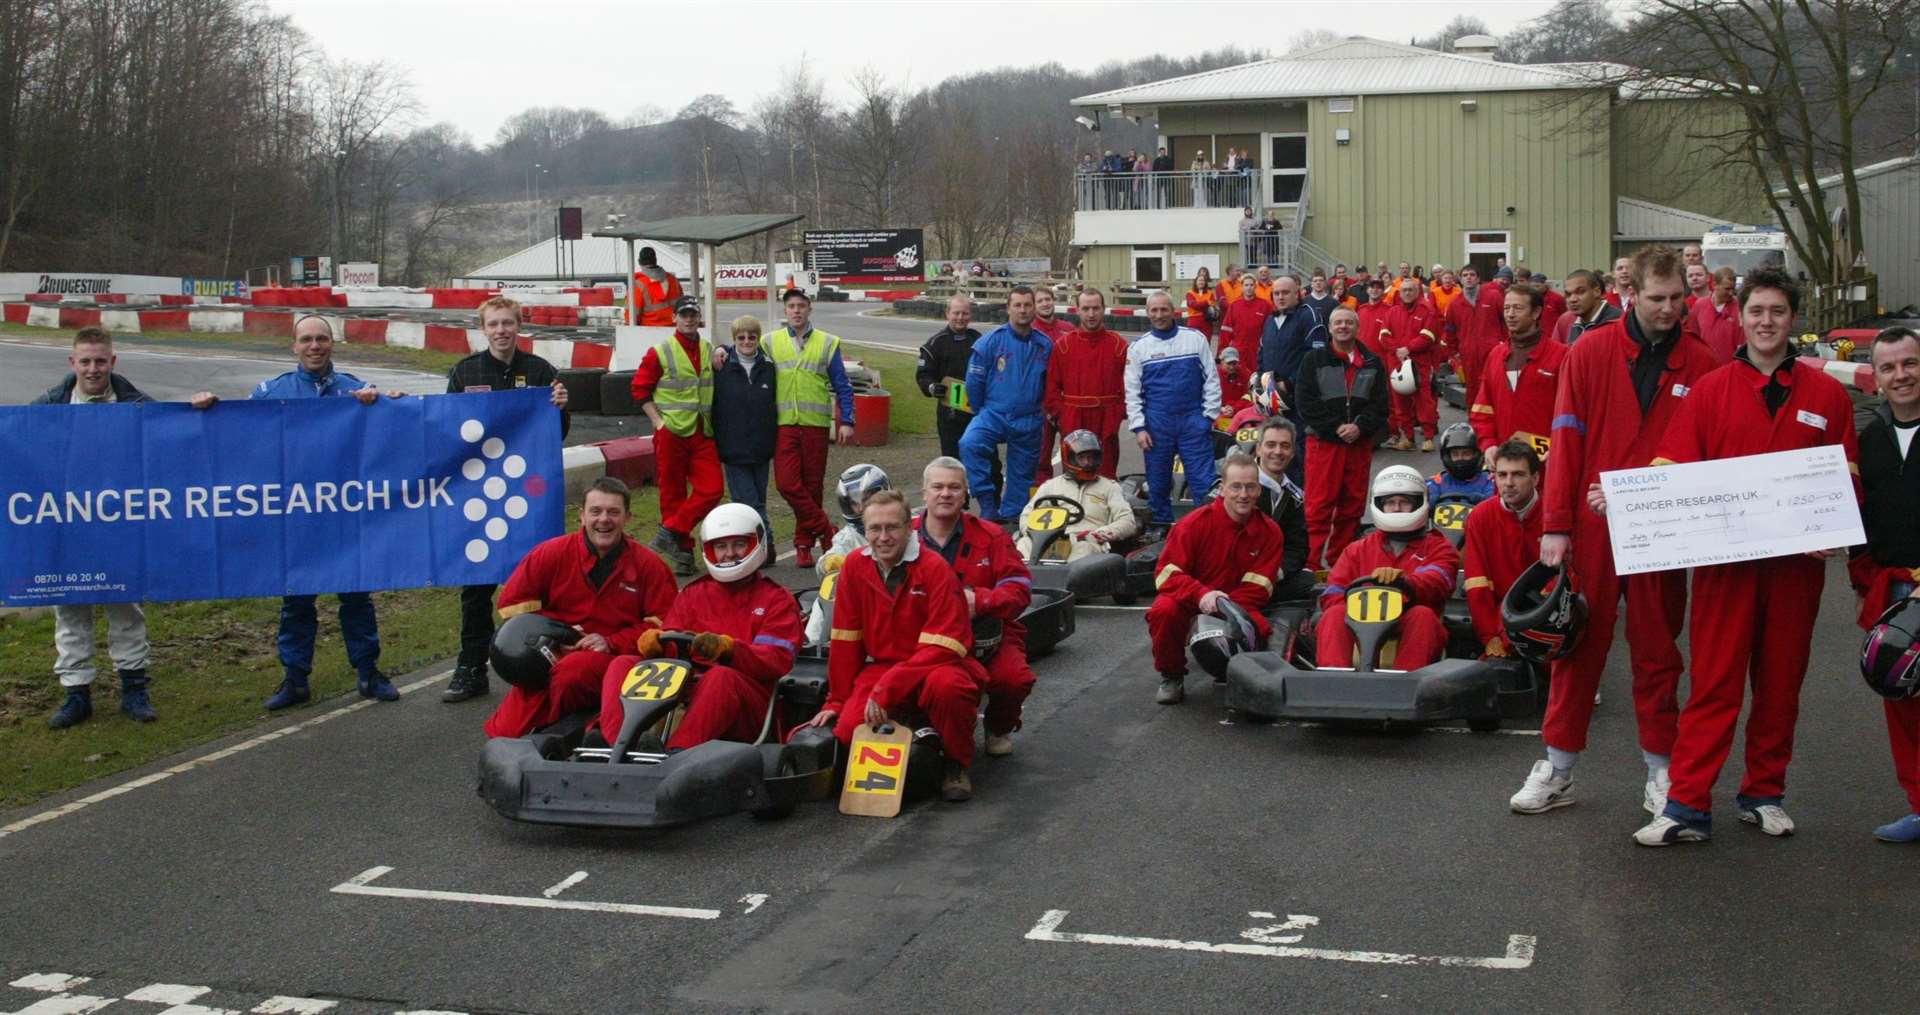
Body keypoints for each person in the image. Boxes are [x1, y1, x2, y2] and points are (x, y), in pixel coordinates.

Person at [1633, 269, 1859, 846]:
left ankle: (1764, 793)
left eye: (1778, 312)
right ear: (1743, 315)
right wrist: (1629, 498)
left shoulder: (1827, 396)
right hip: (1723, 569)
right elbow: (1671, 469)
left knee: (1781, 683)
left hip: (1794, 571)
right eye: (1757, 310)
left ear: (1793, 320)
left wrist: (1832, 526)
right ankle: (1686, 805)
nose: (1766, 322)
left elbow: (1846, 481)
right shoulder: (1711, 389)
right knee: (1714, 683)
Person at [1509, 244, 1719, 817]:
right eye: (1657, 298)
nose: (1669, 309)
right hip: (1591, 526)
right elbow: (1566, 439)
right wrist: (1555, 525)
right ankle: (1558, 765)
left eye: (1678, 298)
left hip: (1662, 531)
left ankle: (1661, 771)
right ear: (1631, 294)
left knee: (1657, 652)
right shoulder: (1591, 351)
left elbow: (1710, 457)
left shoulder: (1702, 364)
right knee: (1576, 645)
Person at [33, 328, 215, 729]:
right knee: (70, 609)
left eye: (100, 361)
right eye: (86, 361)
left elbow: (172, 441)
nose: (93, 369)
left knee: (126, 609)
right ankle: (76, 694)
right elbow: (22, 455)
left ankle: (134, 689)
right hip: (69, 525)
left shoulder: (136, 404)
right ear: (73, 364)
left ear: (113, 362)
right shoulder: (47, 407)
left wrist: (198, 412)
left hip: (122, 527)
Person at [251, 315, 406, 711]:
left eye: (321, 339)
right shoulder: (271, 392)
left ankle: (369, 672)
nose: (314, 346)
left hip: (345, 517)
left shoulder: (356, 390)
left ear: (332, 344)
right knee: (296, 601)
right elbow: (236, 436)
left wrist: (392, 404)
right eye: (306, 340)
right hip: (296, 518)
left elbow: (391, 435)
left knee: (356, 595)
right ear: (294, 346)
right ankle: (295, 678)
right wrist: (206, 406)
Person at [801, 489, 985, 802]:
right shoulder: (854, 568)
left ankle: (955, 763)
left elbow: (948, 643)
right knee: (847, 731)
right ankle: (913, 730)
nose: (883, 537)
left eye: (892, 527)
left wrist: (890, 688)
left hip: (936, 666)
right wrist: (837, 700)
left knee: (949, 689)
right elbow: (846, 640)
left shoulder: (935, 569)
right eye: (875, 529)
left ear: (908, 528)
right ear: (865, 530)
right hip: (883, 669)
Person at [442, 295, 572, 703]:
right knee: (475, 587)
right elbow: (444, 430)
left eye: (508, 323)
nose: (501, 330)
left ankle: (542, 662)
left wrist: (561, 410)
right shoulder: (465, 372)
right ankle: (471, 667)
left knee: (536, 585)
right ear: (483, 329)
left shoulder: (540, 371)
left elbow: (557, 435)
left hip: (528, 498)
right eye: (494, 324)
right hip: (478, 497)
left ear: (519, 326)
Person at [594, 504, 801, 751]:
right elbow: (671, 647)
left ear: (756, 543)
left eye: (739, 545)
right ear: (709, 550)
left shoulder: (775, 599)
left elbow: (775, 660)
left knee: (720, 677)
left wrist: (728, 649)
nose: (730, 554)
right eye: (721, 547)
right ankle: (616, 743)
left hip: (747, 701)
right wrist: (655, 643)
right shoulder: (694, 593)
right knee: (623, 664)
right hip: (685, 691)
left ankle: (678, 752)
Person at [483, 478, 678, 738]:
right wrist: (556, 632)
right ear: (582, 516)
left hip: (617, 663)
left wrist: (610, 642)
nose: (604, 519)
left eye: (613, 512)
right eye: (595, 511)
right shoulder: (549, 554)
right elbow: (512, 607)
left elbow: (665, 626)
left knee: (572, 673)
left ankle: (574, 734)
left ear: (628, 518)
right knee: (504, 734)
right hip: (550, 658)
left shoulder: (650, 566)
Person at [915, 458, 1036, 755]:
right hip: (922, 636)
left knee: (1014, 679)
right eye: (938, 487)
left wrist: (980, 601)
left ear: (965, 493)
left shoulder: (992, 536)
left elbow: (1020, 587)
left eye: (954, 487)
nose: (946, 494)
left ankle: (998, 725)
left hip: (988, 633)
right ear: (924, 493)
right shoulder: (902, 535)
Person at [1851, 326, 1920, 842]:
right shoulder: (1867, 439)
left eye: (1910, 363)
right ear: (1875, 378)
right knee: (1904, 707)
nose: (1902, 375)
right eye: (1890, 367)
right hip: (1892, 593)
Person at [1146, 453, 1285, 704]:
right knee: (1163, 611)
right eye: (1236, 486)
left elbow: (1260, 586)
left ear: (1259, 489)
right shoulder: (1193, 525)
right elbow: (1166, 575)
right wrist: (1202, 595)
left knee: (1266, 631)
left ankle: (1241, 675)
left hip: (1239, 605)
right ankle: (1172, 675)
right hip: (1192, 599)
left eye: (1250, 487)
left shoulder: (1270, 532)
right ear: (1222, 489)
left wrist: (1226, 607)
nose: (1243, 494)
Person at [1316, 465, 1458, 670]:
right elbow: (1333, 591)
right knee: (1334, 614)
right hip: (1359, 626)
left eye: (1404, 502)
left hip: (1407, 624)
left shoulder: (1439, 547)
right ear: (1379, 505)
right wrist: (1363, 601)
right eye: (1390, 502)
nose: (1397, 508)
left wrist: (1404, 583)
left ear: (1420, 503)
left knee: (1423, 616)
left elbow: (1438, 581)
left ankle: (1408, 687)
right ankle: (1332, 682)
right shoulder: (1357, 550)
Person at [764, 287, 858, 568]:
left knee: (813, 487)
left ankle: (803, 544)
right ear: (785, 310)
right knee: (787, 484)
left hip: (816, 425)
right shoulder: (770, 342)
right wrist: (722, 350)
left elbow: (843, 385)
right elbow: (743, 352)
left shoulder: (827, 343)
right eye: (791, 306)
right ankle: (826, 530)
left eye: (801, 306)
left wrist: (847, 421)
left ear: (809, 309)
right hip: (784, 425)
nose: (796, 311)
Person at [632, 296, 721, 574]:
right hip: (671, 433)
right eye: (684, 314)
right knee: (673, 496)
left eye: (693, 314)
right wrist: (658, 422)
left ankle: (668, 531)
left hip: (702, 431)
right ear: (674, 318)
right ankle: (683, 556)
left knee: (713, 489)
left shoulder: (708, 349)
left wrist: (723, 352)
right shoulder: (660, 351)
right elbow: (639, 390)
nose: (689, 319)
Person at [1297, 305, 1390, 569]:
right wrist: (1336, 427)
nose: (1343, 327)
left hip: (1358, 446)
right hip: (1324, 444)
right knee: (1318, 507)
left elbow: (1380, 405)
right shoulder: (1313, 361)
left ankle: (1340, 562)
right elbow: (1306, 402)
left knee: (1352, 507)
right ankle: (1310, 564)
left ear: (1357, 327)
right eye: (1338, 322)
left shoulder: (1372, 362)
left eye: (1349, 322)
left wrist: (1359, 427)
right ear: (1329, 327)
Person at [1126, 291, 1222, 526]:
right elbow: (1132, 392)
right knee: (1158, 484)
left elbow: (1211, 379)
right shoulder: (1139, 348)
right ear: (1148, 313)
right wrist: (1139, 428)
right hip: (1157, 425)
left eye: (1164, 309)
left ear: (1173, 311)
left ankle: (1207, 528)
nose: (1159, 315)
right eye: (1154, 310)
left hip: (1193, 421)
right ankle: (1162, 531)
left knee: (1203, 482)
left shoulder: (1195, 339)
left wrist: (1208, 417)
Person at [961, 285, 1053, 526]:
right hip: (993, 412)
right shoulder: (990, 342)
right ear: (1008, 309)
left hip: (1029, 417)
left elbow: (1053, 382)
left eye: (1027, 305)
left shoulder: (1045, 345)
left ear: (1034, 308)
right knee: (969, 443)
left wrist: (1045, 409)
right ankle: (988, 504)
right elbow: (974, 382)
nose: (1023, 310)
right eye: (1017, 305)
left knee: (1022, 476)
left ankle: (1011, 519)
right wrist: (982, 411)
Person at [1469, 283, 1568, 467]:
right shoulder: (1496, 356)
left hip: (1548, 464)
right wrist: (1488, 444)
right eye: (1506, 308)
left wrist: (1561, 449)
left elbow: (1572, 412)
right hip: (1506, 466)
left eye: (1518, 308)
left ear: (1536, 312)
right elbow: (1482, 408)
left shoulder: (1561, 355)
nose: (1510, 314)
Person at [1462, 440, 1545, 658]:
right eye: (1502, 475)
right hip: (1502, 613)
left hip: (1548, 608)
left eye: (1518, 474)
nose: (1508, 483)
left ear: (1535, 478)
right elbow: (1476, 581)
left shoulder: (1554, 514)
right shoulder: (1480, 517)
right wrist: (1490, 636)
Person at [1044, 288, 1129, 479]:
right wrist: (1063, 416)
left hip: (1106, 418)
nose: (1091, 314)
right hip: (1074, 418)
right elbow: (1052, 388)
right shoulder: (1063, 346)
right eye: (1086, 308)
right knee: (1074, 476)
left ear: (1103, 309)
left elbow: (1129, 386)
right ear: (1077, 310)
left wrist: (1118, 413)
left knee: (1106, 477)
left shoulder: (1119, 345)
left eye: (1096, 308)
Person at [1018, 429, 1140, 561]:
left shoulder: (1109, 487)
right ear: (1069, 458)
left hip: (1088, 541)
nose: (1088, 463)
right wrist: (1033, 534)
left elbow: (1128, 521)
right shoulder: (1050, 486)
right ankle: (1020, 579)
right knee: (1024, 544)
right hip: (1049, 539)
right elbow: (1027, 514)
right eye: (1082, 458)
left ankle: (1064, 580)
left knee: (1083, 548)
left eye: (1091, 458)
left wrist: (1100, 534)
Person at [1256, 274, 1327, 485]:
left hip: (1301, 401)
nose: (1280, 297)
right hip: (1274, 403)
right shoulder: (1269, 320)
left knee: (1299, 452)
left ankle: (1303, 504)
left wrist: (1289, 383)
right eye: (1276, 293)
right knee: (1275, 453)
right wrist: (1260, 380)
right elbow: (1262, 354)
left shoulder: (1309, 316)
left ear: (1298, 293)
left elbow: (1314, 357)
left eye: (1285, 292)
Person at [713, 314, 778, 533]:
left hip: (761, 450)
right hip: (734, 452)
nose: (747, 342)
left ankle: (753, 546)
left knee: (758, 500)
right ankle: (766, 541)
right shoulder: (720, 367)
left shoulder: (769, 367)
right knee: (750, 504)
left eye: (752, 337)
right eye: (741, 338)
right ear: (734, 340)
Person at [1248, 418, 1315, 602]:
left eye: (1285, 446)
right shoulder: (1237, 484)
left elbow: (1298, 548)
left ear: (1293, 452)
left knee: (1315, 584)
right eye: (1271, 445)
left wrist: (1277, 572)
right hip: (1232, 574)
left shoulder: (1295, 496)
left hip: (1271, 576)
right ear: (1259, 448)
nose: (1278, 452)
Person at [916, 295, 984, 463]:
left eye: (965, 313)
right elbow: (923, 375)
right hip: (950, 414)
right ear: (947, 314)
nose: (960, 318)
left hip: (978, 412)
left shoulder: (979, 340)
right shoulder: (935, 344)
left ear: (970, 315)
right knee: (953, 462)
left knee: (984, 459)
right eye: (956, 313)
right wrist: (932, 387)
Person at [1381, 277, 1443, 452]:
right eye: (1404, 290)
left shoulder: (1427, 311)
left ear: (1417, 292)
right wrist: (1399, 350)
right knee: (1400, 403)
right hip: (1397, 366)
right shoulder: (1392, 312)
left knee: (1424, 402)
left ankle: (1428, 437)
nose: (1407, 293)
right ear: (1399, 293)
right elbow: (1383, 336)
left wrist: (1408, 349)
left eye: (1410, 290)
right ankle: (1408, 437)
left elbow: (1428, 337)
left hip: (1419, 365)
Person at [1029, 286, 1075, 484]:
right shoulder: (1030, 331)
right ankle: (1040, 497)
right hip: (1040, 404)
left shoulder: (1068, 328)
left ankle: (1071, 491)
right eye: (1040, 301)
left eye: (1048, 299)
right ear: (1034, 306)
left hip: (1067, 402)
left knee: (1072, 451)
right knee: (1041, 455)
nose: (1045, 303)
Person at [1443, 264, 1506, 402]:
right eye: (1465, 275)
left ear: (1478, 279)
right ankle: (1475, 421)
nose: (1469, 278)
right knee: (1472, 390)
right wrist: (1454, 353)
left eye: (1472, 275)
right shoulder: (1455, 304)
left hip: (1493, 352)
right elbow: (1450, 331)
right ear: (1460, 280)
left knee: (1495, 387)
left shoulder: (1493, 297)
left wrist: (1505, 344)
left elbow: (1506, 321)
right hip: (1468, 355)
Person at [1426, 422, 1495, 505]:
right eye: (1455, 454)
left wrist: (1483, 500)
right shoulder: (1438, 481)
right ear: (1447, 456)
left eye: (1466, 454)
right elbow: (1426, 492)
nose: (1460, 458)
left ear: (1477, 454)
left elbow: (1495, 498)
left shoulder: (1488, 480)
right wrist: (1430, 499)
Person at [1552, 268, 1621, 345]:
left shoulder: (1619, 321)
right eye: (1568, 294)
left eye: (1580, 292)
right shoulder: (1565, 320)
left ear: (1597, 291)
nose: (1572, 299)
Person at [1217, 270, 1272, 366]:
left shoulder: (1265, 305)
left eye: (1251, 285)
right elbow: (1226, 331)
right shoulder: (1234, 306)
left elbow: (1270, 330)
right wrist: (1221, 352)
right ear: (1241, 287)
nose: (1249, 288)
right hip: (1238, 352)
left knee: (1256, 379)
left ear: (1255, 286)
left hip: (1257, 351)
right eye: (1246, 285)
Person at [1688, 266, 1742, 362]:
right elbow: (1693, 337)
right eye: (1727, 289)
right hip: (1705, 366)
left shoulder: (1740, 307)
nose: (1731, 293)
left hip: (1730, 368)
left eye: (1733, 289)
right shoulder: (1700, 305)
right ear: (1714, 285)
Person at [632, 246, 684, 326]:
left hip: (648, 332)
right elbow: (682, 305)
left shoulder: (638, 284)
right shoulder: (673, 280)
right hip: (674, 329)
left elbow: (631, 318)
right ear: (655, 260)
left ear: (639, 262)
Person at [1185, 267, 1218, 340]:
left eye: (1203, 280)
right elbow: (1193, 305)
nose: (1201, 282)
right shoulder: (1190, 293)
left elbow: (1213, 305)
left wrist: (1200, 305)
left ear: (1205, 282)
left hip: (1207, 321)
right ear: (1195, 282)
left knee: (1206, 342)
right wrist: (1206, 302)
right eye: (1199, 280)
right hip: (1193, 321)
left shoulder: (1210, 293)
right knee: (1193, 342)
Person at [1218, 347, 1251, 413]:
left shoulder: (1245, 374)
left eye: (1234, 363)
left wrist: (1234, 408)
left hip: (1239, 411)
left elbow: (1248, 396)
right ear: (1222, 361)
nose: (1232, 367)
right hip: (1219, 410)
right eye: (1229, 363)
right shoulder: (1213, 375)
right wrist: (1219, 408)